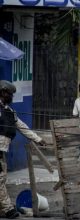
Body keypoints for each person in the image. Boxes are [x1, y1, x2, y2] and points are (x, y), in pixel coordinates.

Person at [0, 80, 46, 219]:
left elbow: (22, 126)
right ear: (2, 92)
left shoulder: (8, 111)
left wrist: (38, 139)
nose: (11, 97)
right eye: (9, 94)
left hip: (2, 151)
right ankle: (7, 209)